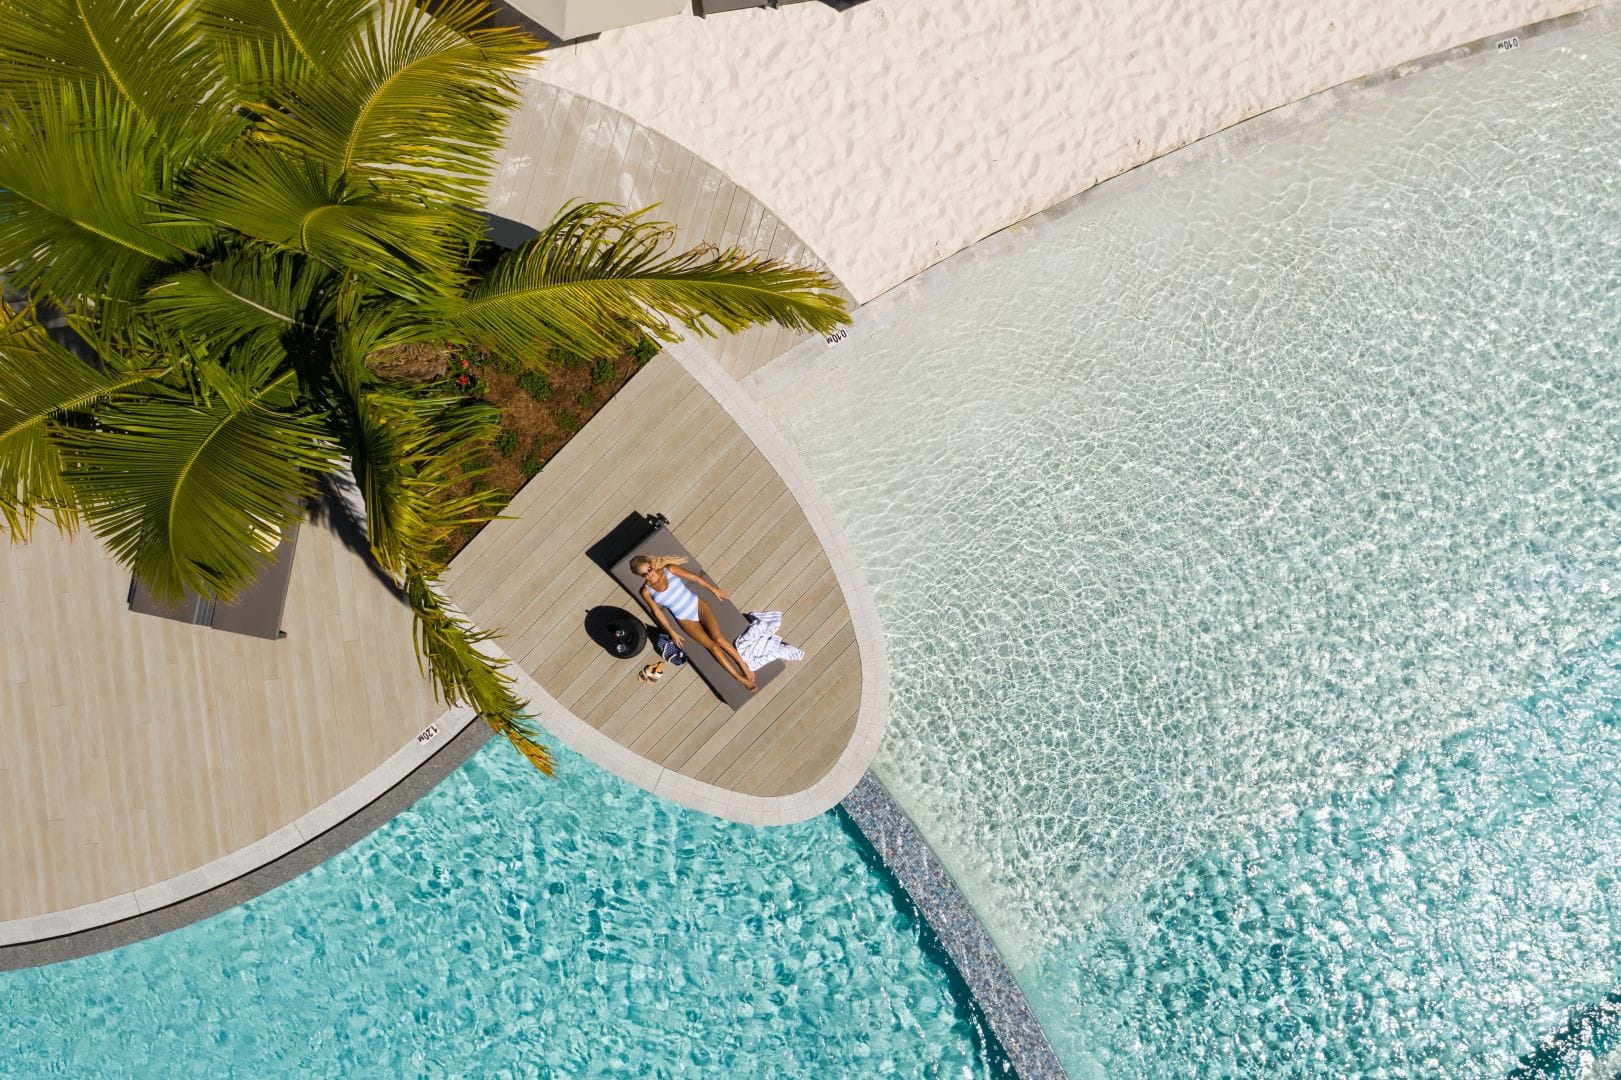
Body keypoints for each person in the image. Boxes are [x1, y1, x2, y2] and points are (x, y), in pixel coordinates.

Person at [631, 554, 757, 692]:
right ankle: (740, 678)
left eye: (649, 569)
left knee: (719, 639)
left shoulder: (670, 570)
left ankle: (745, 667)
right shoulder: (646, 591)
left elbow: (694, 577)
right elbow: (657, 612)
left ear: (652, 565)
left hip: (698, 606)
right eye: (644, 574)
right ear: (640, 576)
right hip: (685, 619)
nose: (649, 574)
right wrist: (672, 632)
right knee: (713, 647)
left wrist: (713, 589)